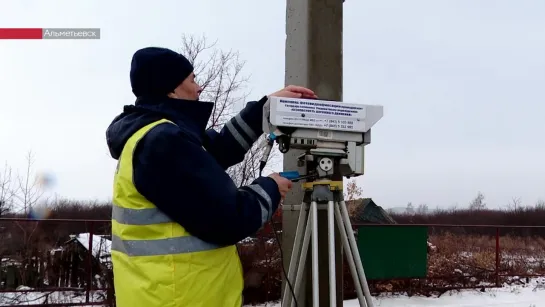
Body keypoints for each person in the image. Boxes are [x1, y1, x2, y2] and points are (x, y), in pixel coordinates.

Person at [105, 46, 317, 307]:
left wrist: (265, 109)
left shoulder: (157, 134)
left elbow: (217, 149)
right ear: (171, 89)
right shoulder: (163, 142)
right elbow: (230, 218)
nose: (199, 87)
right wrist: (270, 188)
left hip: (169, 294)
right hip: (179, 298)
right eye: (192, 80)